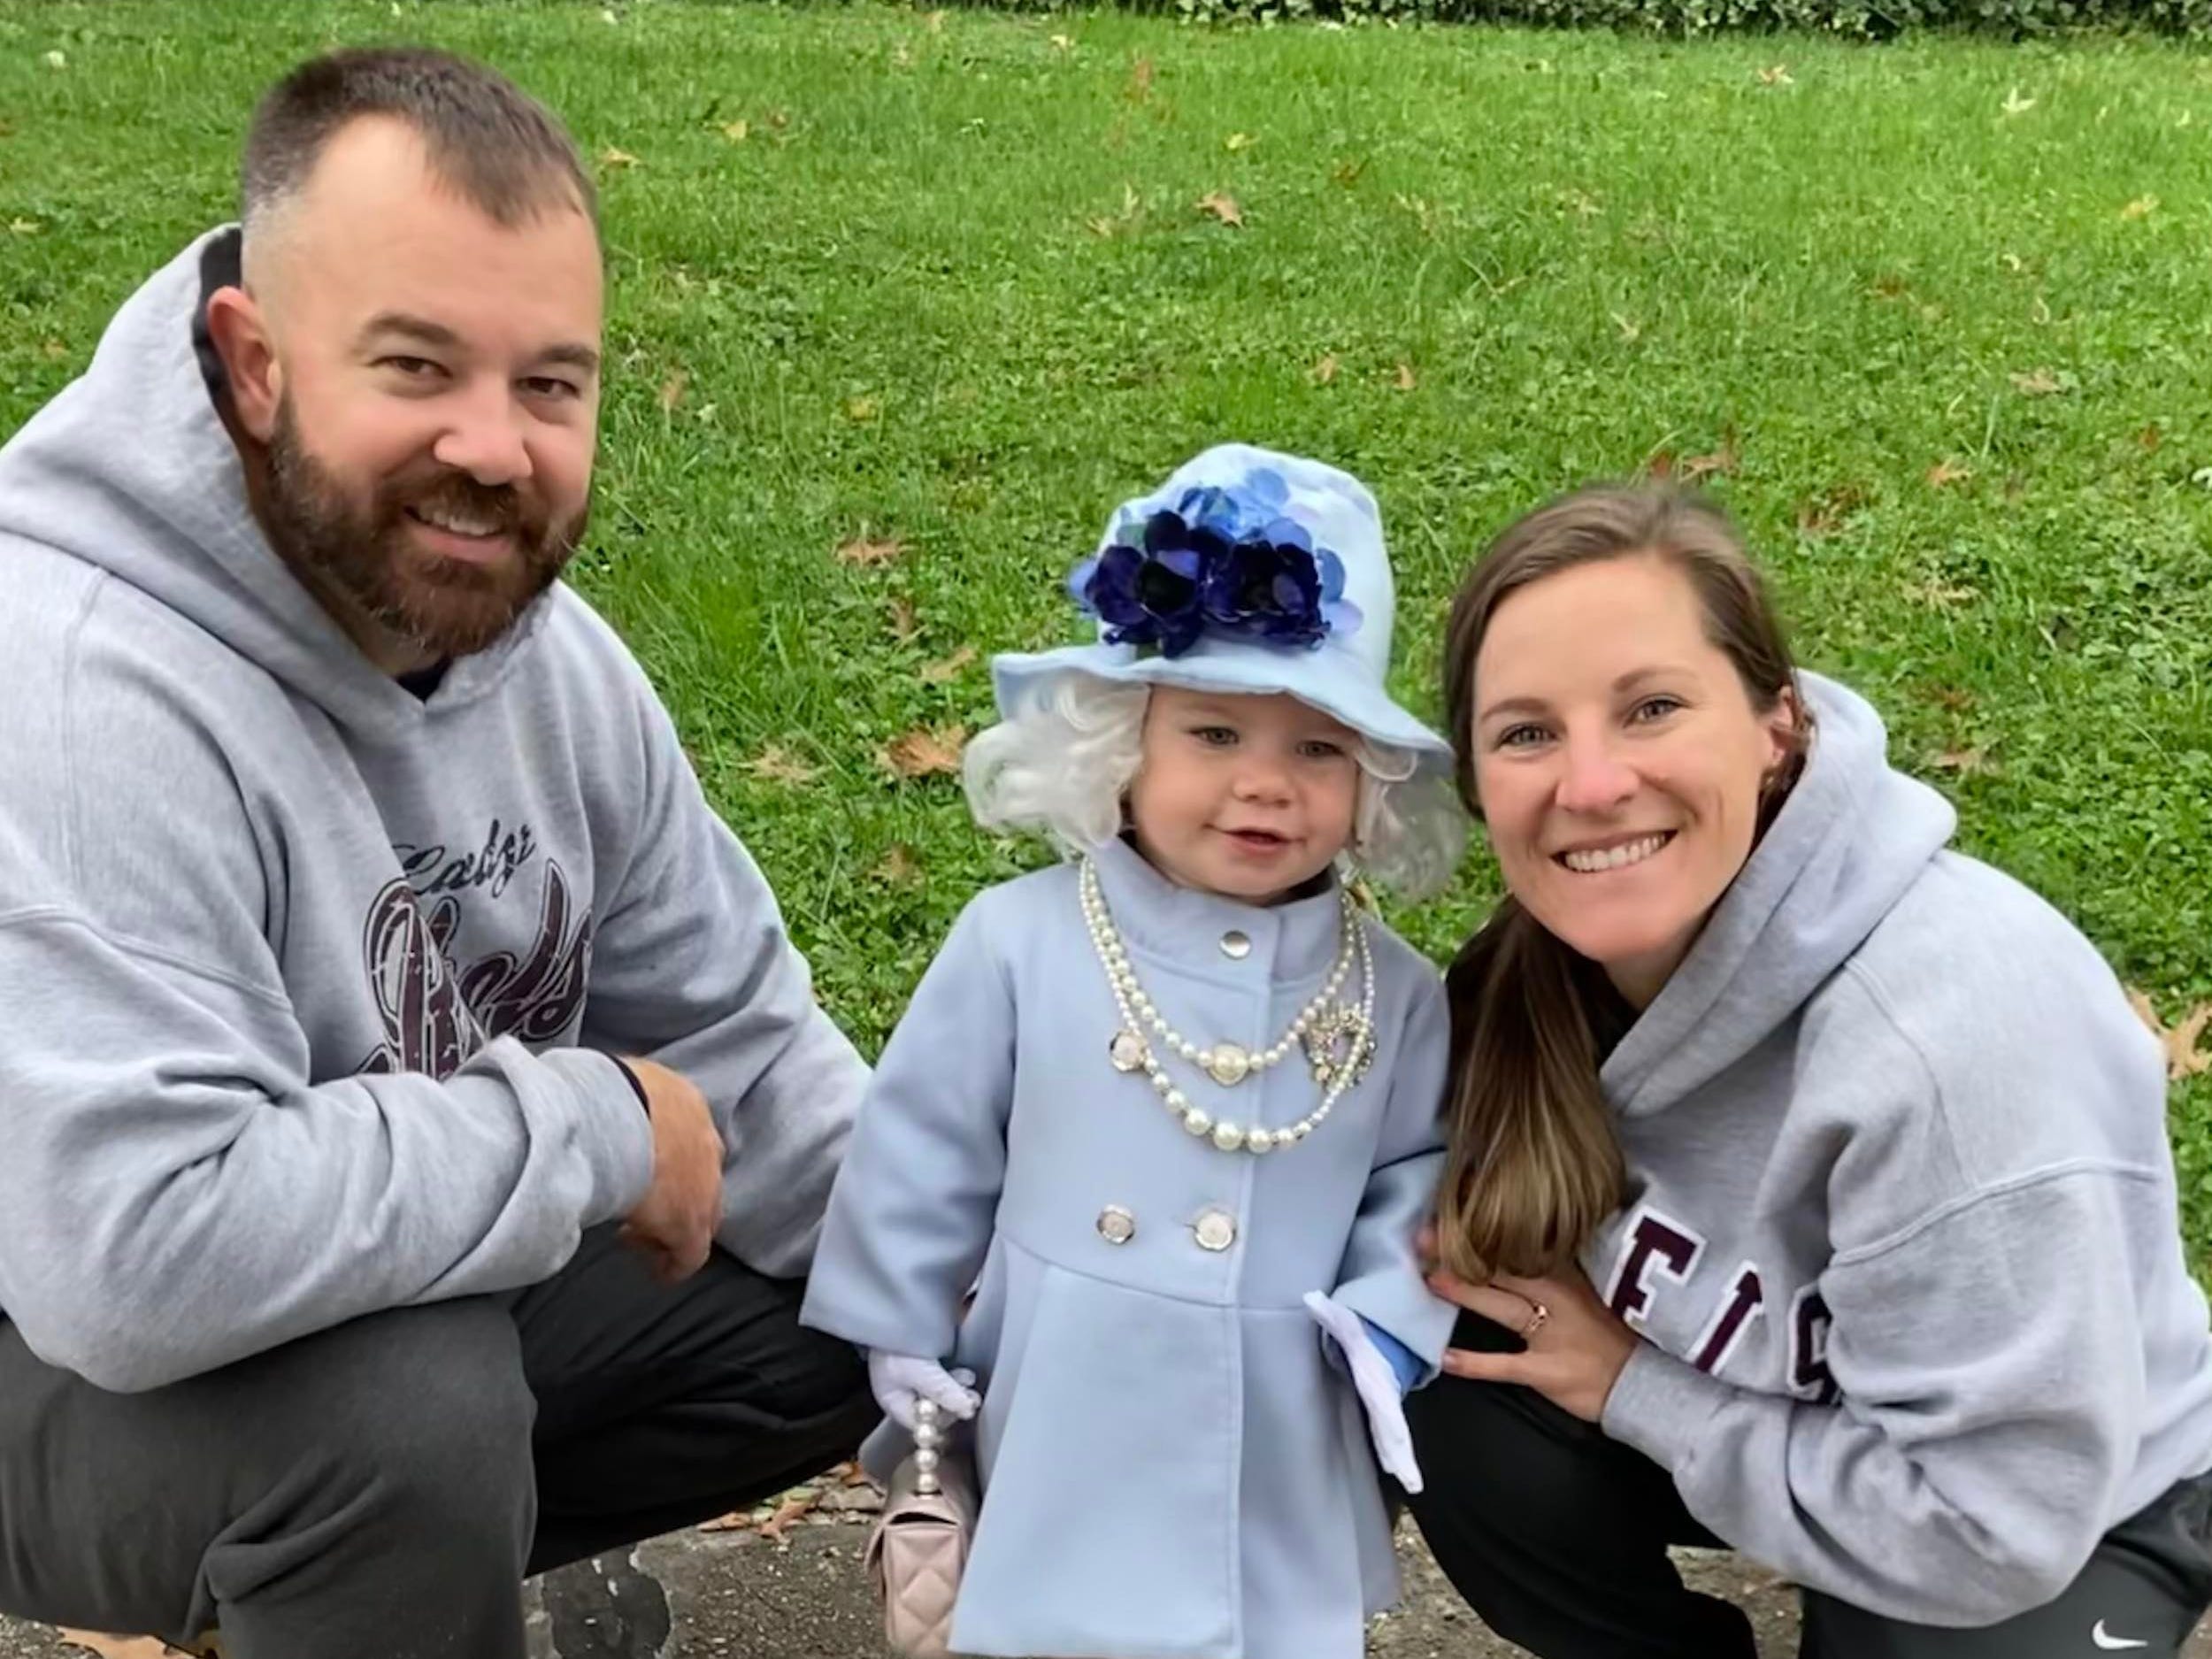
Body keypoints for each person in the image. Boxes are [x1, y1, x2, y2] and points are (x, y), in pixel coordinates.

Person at [0, 47, 873, 1658]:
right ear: (252, 361)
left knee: (853, 1298)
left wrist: (1002, 1327)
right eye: (416, 368)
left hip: (321, 1261)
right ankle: (303, 1565)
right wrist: (600, 1121)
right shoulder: (72, 682)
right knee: (403, 1418)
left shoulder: (548, 653)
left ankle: (368, 1592)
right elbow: (131, 1250)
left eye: (550, 384)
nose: (495, 447)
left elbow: (739, 1038)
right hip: (50, 1343)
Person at [1404, 483, 2212, 1657]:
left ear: (1777, 727)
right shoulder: (1527, 982)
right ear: (1481, 785)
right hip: (1790, 1417)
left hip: (2052, 1508)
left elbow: (1993, 1527)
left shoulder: (1950, 1043)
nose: (1588, 785)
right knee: (1450, 1367)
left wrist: (1637, 1387)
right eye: (1528, 731)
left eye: (1652, 708)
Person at [801, 444, 1466, 1658]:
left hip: (1275, 1421)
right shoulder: (1021, 940)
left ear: (1371, 781)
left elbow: (1419, 1176)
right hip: (1062, 1392)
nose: (1266, 786)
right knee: (1045, 1620)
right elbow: (926, 1138)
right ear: (1121, 743)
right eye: (1214, 734)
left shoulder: (1393, 993)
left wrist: (1382, 1322)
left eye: (1318, 749)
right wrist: (895, 1320)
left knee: (1267, 1629)